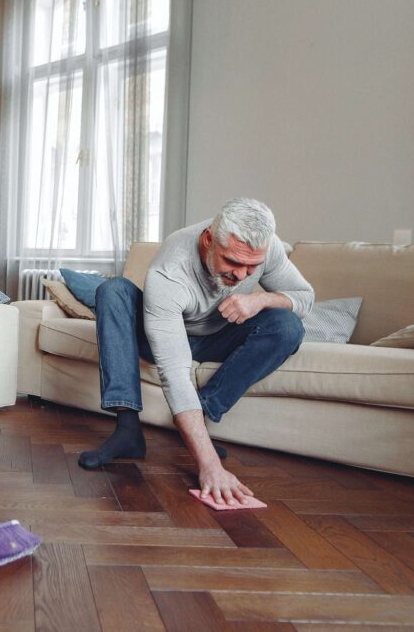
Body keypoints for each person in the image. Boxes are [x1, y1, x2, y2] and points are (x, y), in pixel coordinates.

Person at [77, 197, 313, 505]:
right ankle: (127, 431)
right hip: (160, 331)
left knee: (288, 326)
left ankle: (201, 415)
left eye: (252, 267)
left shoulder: (267, 249)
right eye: (232, 262)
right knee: (112, 291)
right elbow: (174, 373)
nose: (242, 275)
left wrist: (260, 300)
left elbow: (305, 297)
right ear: (208, 240)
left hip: (217, 335)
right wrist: (210, 467)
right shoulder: (170, 270)